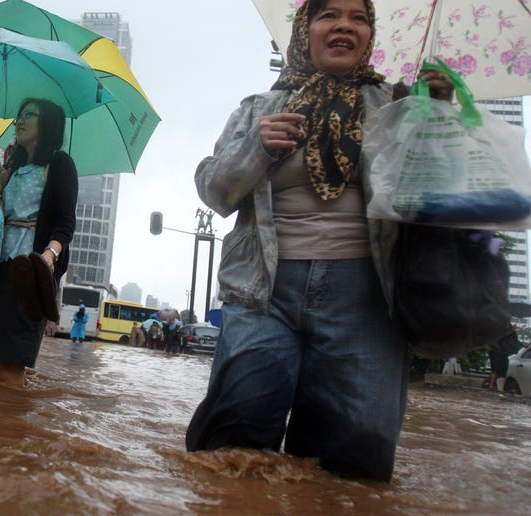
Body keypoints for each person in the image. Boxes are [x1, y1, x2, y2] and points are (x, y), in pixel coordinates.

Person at [185, 0, 455, 482]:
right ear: (305, 30)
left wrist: (436, 122)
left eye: (359, 17)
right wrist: (257, 148)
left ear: (370, 35)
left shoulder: (399, 105)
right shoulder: (260, 108)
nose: (345, 26)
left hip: (368, 301)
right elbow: (214, 191)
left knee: (355, 459)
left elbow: (435, 198)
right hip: (261, 291)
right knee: (234, 442)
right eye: (329, 15)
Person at [0, 98, 78, 385]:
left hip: (29, 273)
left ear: (48, 125)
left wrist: (49, 256)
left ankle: (10, 427)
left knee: (7, 366)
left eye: (30, 115)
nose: (21, 120)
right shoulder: (12, 167)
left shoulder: (59, 164)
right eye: (20, 114)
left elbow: (66, 222)